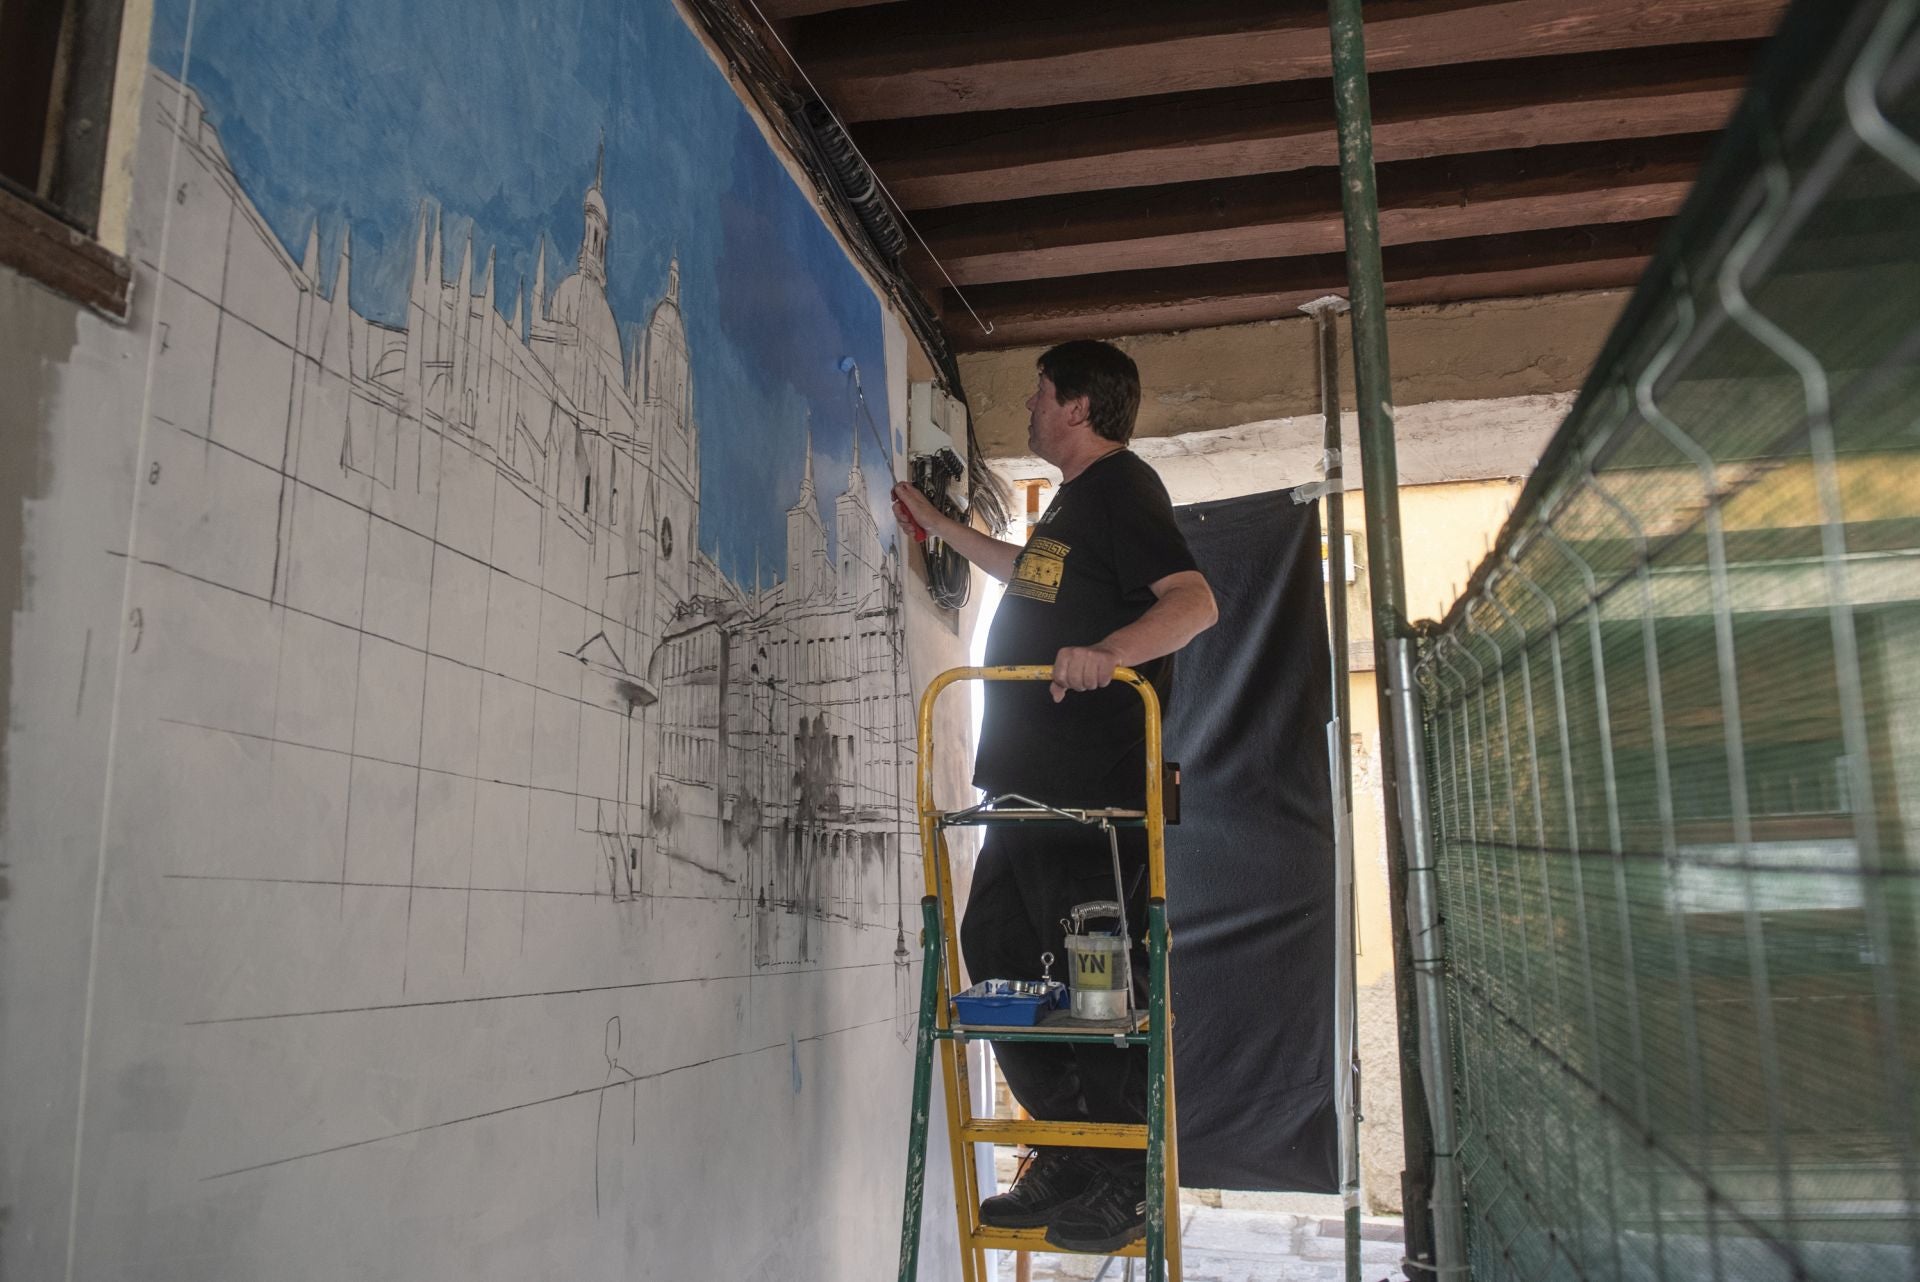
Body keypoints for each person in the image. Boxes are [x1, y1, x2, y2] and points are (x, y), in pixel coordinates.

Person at [891, 340, 1217, 1253]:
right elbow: (1026, 575)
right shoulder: (1074, 509)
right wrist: (940, 527)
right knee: (993, 947)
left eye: (1038, 394)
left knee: (1097, 980)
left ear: (1076, 405)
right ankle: (1067, 1144)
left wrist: (1112, 652)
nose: (1027, 408)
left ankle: (1127, 1169)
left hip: (1092, 793)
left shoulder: (1123, 489)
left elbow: (1195, 604)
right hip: (1031, 786)